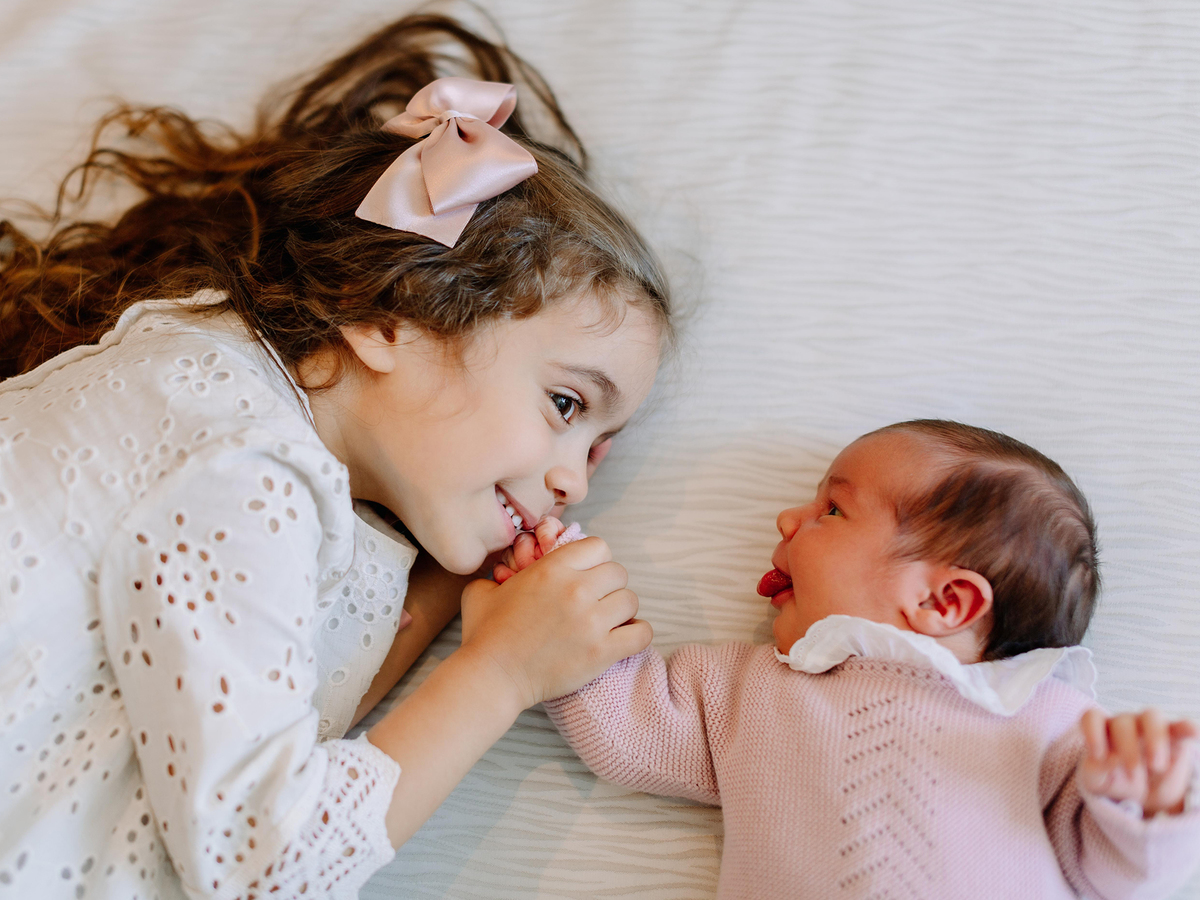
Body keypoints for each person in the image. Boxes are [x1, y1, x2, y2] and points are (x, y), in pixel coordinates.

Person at [0, 13, 667, 899]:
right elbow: (265, 860)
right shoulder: (238, 456)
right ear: (392, 317)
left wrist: (462, 583)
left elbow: (302, 729)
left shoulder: (264, 443)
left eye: (596, 449)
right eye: (566, 405)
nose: (574, 481)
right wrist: (500, 673)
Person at [498, 419, 1200, 899]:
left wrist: (1142, 807)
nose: (787, 521)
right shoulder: (745, 687)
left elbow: (1115, 877)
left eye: (831, 511)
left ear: (944, 601)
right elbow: (631, 732)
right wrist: (562, 599)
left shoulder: (1047, 718)